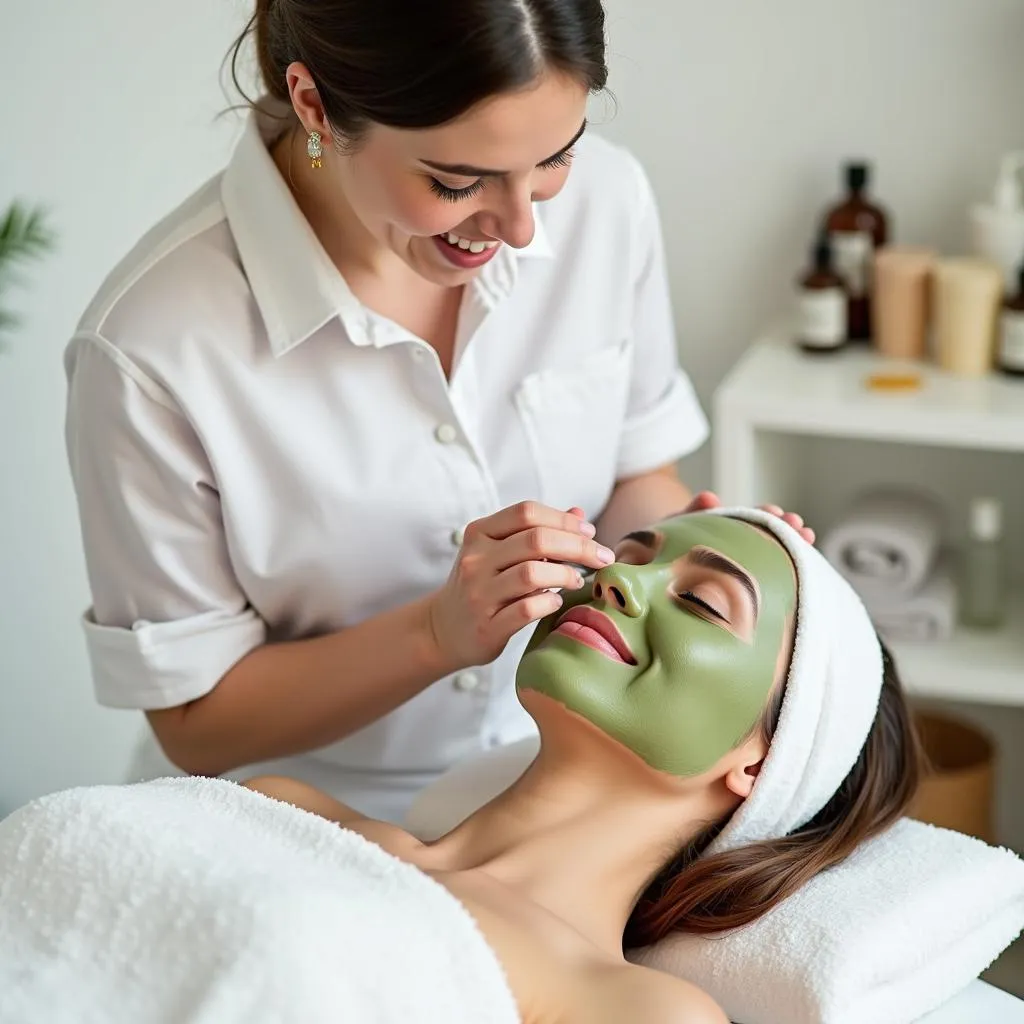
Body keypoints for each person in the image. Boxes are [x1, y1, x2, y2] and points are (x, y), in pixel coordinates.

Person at [63, 0, 813, 822]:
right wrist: (436, 633)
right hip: (286, 818)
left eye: (556, 158)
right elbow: (195, 723)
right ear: (314, 105)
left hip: (554, 789)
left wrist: (703, 555)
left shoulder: (609, 204)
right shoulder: (151, 348)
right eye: (457, 182)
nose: (523, 227)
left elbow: (637, 478)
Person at [242, 510, 921, 1023]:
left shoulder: (639, 1012)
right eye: (623, 556)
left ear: (761, 762)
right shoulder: (282, 809)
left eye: (703, 602)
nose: (618, 580)